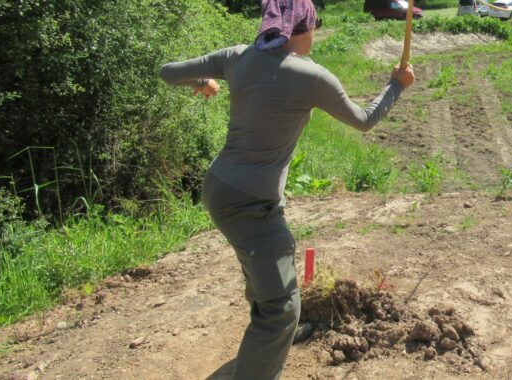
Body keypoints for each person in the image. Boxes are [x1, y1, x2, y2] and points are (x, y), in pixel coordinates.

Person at [158, 0, 414, 378]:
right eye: (316, 24)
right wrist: (397, 84)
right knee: (281, 307)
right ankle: (265, 353)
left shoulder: (238, 56)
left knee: (270, 264)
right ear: (304, 28)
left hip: (222, 188)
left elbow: (168, 72)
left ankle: (272, 338)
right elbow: (364, 120)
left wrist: (204, 82)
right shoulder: (310, 76)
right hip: (251, 202)